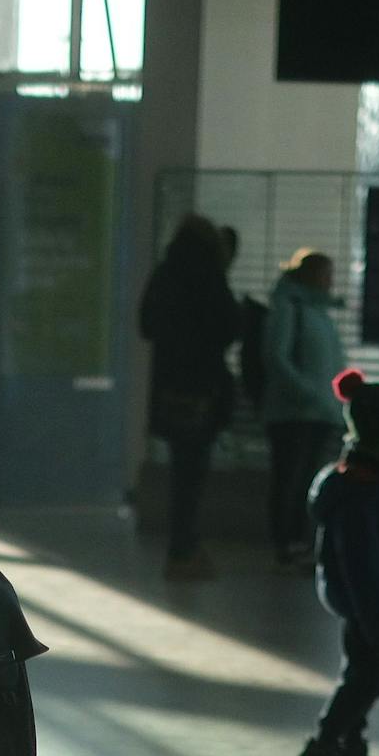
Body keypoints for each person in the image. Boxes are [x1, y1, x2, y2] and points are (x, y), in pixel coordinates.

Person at [288, 368, 379, 756]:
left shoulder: (368, 485)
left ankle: (349, 753)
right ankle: (322, 751)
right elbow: (364, 568)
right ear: (378, 441)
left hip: (363, 604)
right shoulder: (360, 494)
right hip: (368, 606)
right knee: (366, 680)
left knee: (361, 676)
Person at [139, 215, 241, 579]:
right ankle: (183, 550)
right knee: (192, 475)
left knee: (182, 471)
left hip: (168, 387)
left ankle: (183, 548)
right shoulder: (208, 275)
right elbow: (229, 325)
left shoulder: (165, 273)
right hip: (202, 387)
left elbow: (146, 324)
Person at [262, 248, 347, 571]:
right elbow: (277, 358)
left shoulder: (319, 313)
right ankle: (286, 543)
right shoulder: (288, 309)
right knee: (289, 480)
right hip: (292, 414)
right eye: (325, 274)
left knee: (307, 481)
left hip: (320, 413)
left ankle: (301, 541)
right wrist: (309, 392)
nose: (330, 282)